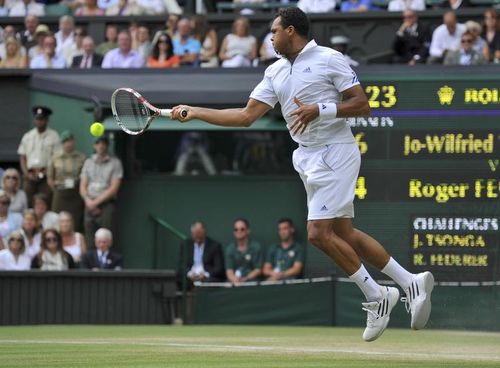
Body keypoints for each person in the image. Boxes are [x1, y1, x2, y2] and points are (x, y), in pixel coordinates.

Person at [170, 7, 434, 342]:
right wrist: (195, 113)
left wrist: (320, 110)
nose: (270, 37)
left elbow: (362, 104)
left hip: (336, 150)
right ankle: (409, 281)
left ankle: (378, 296)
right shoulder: (275, 72)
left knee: (316, 234)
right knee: (345, 233)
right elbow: (245, 116)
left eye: (274, 31)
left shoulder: (329, 58)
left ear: (291, 31)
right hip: (307, 158)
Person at [79, 136, 123, 249]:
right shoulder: (88, 162)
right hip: (89, 203)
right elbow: (83, 186)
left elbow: (114, 188)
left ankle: (106, 264)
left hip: (106, 204)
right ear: (94, 146)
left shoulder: (115, 163)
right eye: (98, 143)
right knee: (89, 236)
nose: (101, 146)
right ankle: (91, 265)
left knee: (106, 236)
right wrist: (88, 201)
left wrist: (96, 203)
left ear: (107, 146)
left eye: (103, 143)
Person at [17, 105, 60, 207]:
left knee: (45, 202)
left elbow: (57, 158)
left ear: (47, 120)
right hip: (30, 175)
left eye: (42, 119)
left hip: (46, 176)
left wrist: (45, 172)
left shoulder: (54, 136)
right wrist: (26, 174)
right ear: (34, 120)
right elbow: (22, 157)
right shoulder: (28, 136)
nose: (40, 121)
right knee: (27, 202)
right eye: (37, 119)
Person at [47, 130, 86, 231]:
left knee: (75, 219)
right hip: (60, 192)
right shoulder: (55, 158)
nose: (68, 144)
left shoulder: (81, 157)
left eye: (70, 141)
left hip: (75, 192)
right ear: (62, 143)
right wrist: (55, 189)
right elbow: (50, 177)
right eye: (65, 141)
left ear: (74, 142)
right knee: (57, 219)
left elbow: (85, 177)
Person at [178, 221, 225, 288]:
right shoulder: (186, 244)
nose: (198, 236)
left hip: (207, 278)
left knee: (212, 282)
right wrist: (190, 274)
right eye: (195, 233)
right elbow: (182, 265)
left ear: (204, 232)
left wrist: (205, 275)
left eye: (199, 233)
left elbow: (218, 268)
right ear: (192, 234)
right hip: (190, 277)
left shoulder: (215, 246)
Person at [224, 218, 263, 284]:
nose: (239, 231)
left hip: (251, 282)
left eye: (242, 229)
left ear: (248, 231)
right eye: (236, 229)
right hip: (235, 283)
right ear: (234, 232)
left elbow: (258, 269)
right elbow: (229, 271)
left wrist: (246, 278)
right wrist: (234, 279)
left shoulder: (256, 247)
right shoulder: (230, 249)